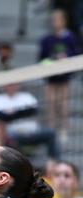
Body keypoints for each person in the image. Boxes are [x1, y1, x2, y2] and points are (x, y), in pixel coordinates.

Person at [38, 9, 79, 142]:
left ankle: (63, 130)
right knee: (51, 104)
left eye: (58, 19)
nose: (55, 22)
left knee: (63, 104)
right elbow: (41, 58)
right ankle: (51, 130)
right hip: (51, 78)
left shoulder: (70, 37)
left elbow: (75, 55)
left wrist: (65, 59)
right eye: (53, 19)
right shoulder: (46, 39)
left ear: (64, 21)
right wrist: (51, 61)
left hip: (64, 77)